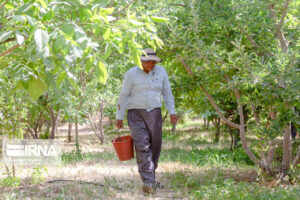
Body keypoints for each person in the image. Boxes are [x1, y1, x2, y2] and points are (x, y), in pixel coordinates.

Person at [115, 48, 177, 194]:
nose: (151, 64)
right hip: (136, 114)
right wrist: (119, 115)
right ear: (141, 61)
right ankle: (148, 182)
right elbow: (123, 95)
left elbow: (167, 92)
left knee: (155, 147)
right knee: (142, 146)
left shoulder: (161, 72)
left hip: (155, 113)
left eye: (153, 61)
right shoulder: (131, 74)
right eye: (147, 61)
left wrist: (172, 111)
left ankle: (151, 179)